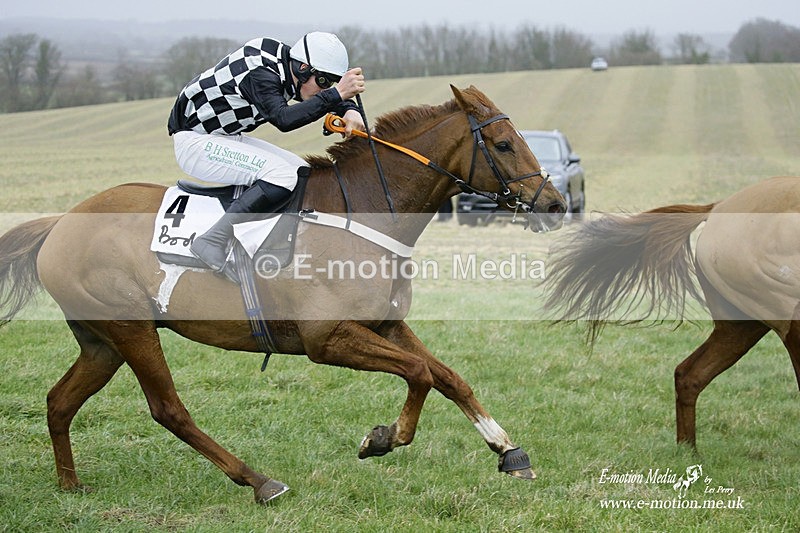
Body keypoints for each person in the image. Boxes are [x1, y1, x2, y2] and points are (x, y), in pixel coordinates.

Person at [167, 31, 366, 273]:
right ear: (303, 67)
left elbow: (324, 97)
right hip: (195, 142)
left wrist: (348, 108)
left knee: (300, 171)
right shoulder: (260, 73)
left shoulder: (287, 66)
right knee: (282, 175)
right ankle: (213, 240)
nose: (326, 88)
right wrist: (337, 94)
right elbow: (283, 119)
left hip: (222, 136)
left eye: (331, 82)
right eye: (324, 81)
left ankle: (269, 242)